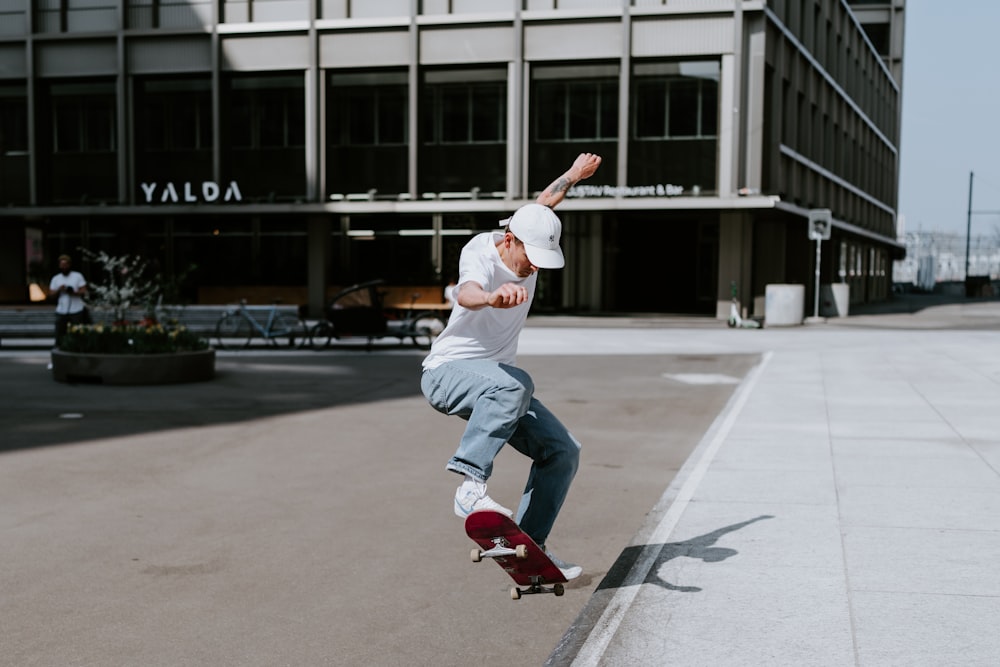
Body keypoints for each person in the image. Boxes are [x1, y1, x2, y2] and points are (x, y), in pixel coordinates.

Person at [420, 152, 602, 579]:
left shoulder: (528, 230)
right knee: (516, 384)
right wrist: (491, 297)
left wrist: (573, 176)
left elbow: (542, 204)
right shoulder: (481, 251)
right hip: (447, 373)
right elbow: (464, 292)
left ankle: (529, 551)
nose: (534, 267)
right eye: (529, 257)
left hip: (496, 383)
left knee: (563, 451)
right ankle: (470, 487)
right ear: (509, 239)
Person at [48, 254, 90, 345]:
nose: (64, 267)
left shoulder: (77, 276)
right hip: (61, 310)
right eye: (62, 265)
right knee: (60, 333)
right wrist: (59, 289)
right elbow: (50, 294)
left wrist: (73, 292)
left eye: (65, 265)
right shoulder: (56, 278)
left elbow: (84, 291)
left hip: (76, 309)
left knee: (78, 333)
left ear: (69, 265)